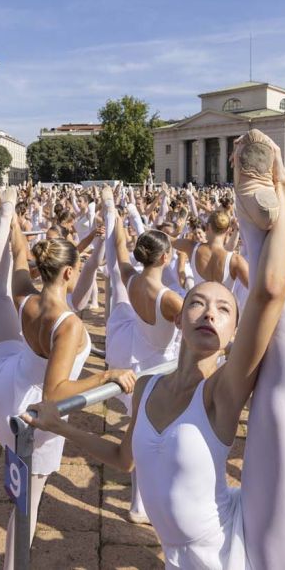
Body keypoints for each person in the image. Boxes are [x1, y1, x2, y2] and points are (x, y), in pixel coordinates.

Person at [24, 130, 285, 570]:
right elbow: (123, 460)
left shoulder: (222, 389)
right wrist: (58, 425)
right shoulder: (146, 387)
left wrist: (283, 192)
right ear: (179, 317)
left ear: (233, 333)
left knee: (282, 395)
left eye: (223, 309)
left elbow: (270, 292)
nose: (209, 312)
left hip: (237, 548)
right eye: (198, 302)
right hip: (182, 556)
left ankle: (259, 205)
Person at [0, 188, 136, 568]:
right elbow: (55, 392)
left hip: (5, 381)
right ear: (68, 273)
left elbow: (18, 254)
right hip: (30, 408)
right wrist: (106, 375)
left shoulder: (26, 298)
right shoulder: (68, 324)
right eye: (78, 268)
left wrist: (10, 218)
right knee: (27, 503)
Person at [102, 191, 184, 524]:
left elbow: (120, 250)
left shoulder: (132, 279)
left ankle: (140, 502)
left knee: (141, 433)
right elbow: (195, 331)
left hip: (136, 355)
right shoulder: (170, 299)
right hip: (159, 368)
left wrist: (113, 214)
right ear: (165, 258)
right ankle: (143, 502)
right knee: (155, 439)